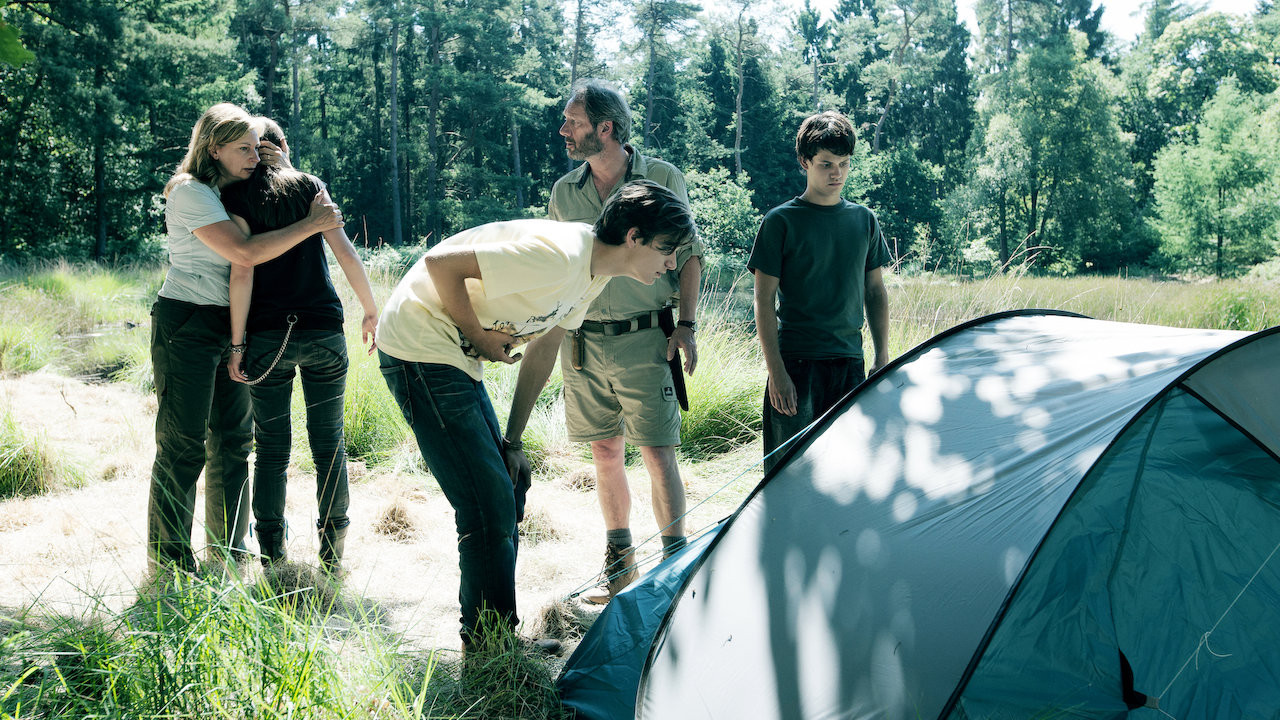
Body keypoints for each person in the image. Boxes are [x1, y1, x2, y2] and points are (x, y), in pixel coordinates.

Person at [376, 180, 697, 650]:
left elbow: (544, 348)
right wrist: (481, 338)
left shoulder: (595, 273)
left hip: (453, 355)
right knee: (485, 504)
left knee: (508, 481)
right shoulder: (562, 256)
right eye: (666, 251)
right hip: (418, 346)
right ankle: (489, 649)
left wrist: (513, 441)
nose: (671, 265)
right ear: (633, 237)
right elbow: (440, 266)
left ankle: (496, 635)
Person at [149, 103, 344, 573]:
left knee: (235, 441)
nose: (254, 157)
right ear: (213, 149)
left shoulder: (233, 190)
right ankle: (171, 564)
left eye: (258, 148)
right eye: (243, 149)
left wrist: (285, 170)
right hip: (188, 323)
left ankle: (228, 551)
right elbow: (243, 252)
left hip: (235, 325)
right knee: (184, 443)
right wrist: (312, 223)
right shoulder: (191, 191)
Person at [548, 79, 702, 605]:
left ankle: (675, 569)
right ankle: (620, 569)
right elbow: (557, 267)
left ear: (606, 128)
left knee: (658, 454)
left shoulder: (661, 178)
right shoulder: (565, 192)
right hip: (584, 342)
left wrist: (687, 324)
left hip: (646, 337)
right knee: (605, 451)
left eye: (573, 121)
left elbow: (688, 254)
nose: (564, 130)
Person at [223, 117, 379, 575]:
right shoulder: (310, 187)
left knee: (271, 448)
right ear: (284, 146)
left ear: (253, 150)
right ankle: (333, 556)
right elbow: (345, 252)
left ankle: (273, 556)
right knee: (329, 444)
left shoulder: (234, 196)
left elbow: (242, 270)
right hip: (323, 332)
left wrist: (237, 345)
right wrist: (371, 309)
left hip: (268, 337)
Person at [749, 110, 892, 473]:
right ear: (804, 162)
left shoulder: (864, 220)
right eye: (827, 164)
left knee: (849, 472)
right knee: (789, 476)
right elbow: (763, 301)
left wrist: (882, 354)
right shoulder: (780, 221)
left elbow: (874, 292)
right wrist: (776, 372)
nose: (837, 174)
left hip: (849, 364)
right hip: (796, 366)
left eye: (844, 164)